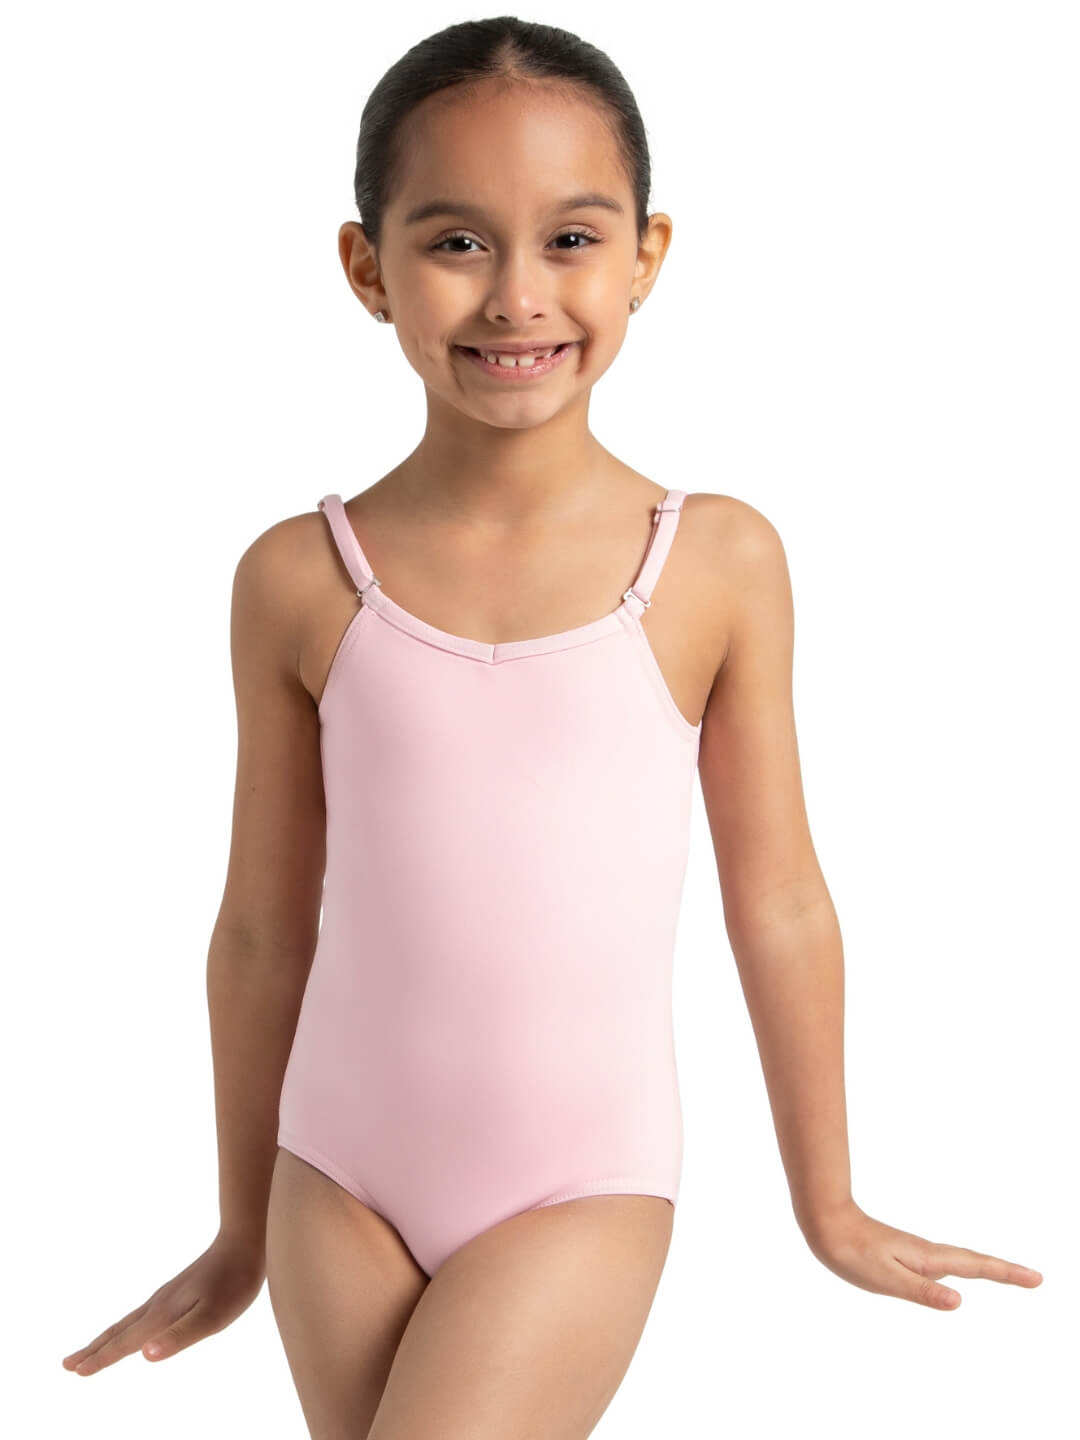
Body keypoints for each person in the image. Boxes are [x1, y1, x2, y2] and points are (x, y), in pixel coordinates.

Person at [61, 15, 1043, 1438]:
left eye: (571, 239)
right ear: (367, 268)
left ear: (646, 255)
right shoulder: (299, 578)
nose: (517, 296)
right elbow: (262, 930)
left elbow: (779, 900)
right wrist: (237, 1229)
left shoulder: (712, 563)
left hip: (578, 1184)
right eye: (457, 242)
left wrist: (825, 1200)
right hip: (330, 1178)